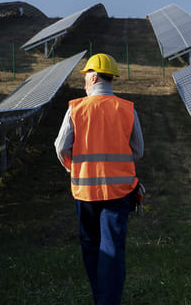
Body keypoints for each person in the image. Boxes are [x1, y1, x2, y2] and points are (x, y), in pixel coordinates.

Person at [55, 53, 144, 305]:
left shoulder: (76, 108)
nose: (84, 82)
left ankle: (100, 298)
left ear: (93, 77)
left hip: (84, 193)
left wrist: (74, 168)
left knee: (92, 245)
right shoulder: (127, 109)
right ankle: (108, 300)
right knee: (113, 249)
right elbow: (138, 150)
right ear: (110, 78)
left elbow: (61, 147)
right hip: (119, 191)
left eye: (85, 77)